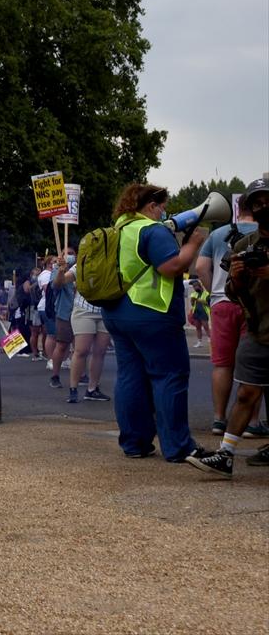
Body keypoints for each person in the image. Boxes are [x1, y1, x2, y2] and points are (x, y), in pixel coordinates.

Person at [101, 183, 209, 463]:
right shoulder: (151, 229)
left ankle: (134, 443)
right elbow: (171, 266)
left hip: (116, 312)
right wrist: (194, 243)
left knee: (130, 377)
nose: (165, 211)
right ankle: (177, 446)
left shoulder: (118, 229)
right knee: (169, 376)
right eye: (162, 206)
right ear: (150, 206)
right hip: (152, 312)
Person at [187, 177, 269, 476]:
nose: (263, 207)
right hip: (258, 328)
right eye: (257, 203)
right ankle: (225, 454)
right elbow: (234, 293)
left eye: (267, 202)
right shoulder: (245, 244)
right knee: (247, 393)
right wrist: (236, 277)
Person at [65, 263, 112, 404]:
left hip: (105, 310)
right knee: (81, 350)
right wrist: (61, 271)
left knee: (100, 351)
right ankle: (73, 389)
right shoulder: (83, 262)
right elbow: (61, 281)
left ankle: (92, 389)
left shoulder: (110, 259)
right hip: (84, 309)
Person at [48, 246, 77, 390]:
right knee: (62, 345)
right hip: (65, 313)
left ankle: (80, 374)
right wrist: (61, 270)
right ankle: (55, 375)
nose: (70, 256)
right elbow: (56, 285)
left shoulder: (81, 269)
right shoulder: (57, 270)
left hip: (80, 313)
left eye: (72, 254)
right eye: (67, 254)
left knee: (80, 348)